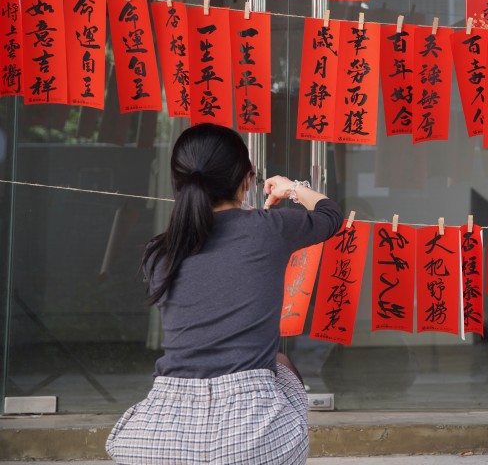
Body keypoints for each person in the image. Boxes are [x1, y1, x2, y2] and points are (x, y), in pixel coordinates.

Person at [106, 123, 342, 464]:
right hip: (253, 441)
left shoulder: (159, 253)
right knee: (282, 362)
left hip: (157, 444)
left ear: (178, 184)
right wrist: (292, 188)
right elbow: (329, 215)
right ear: (246, 180)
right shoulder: (267, 229)